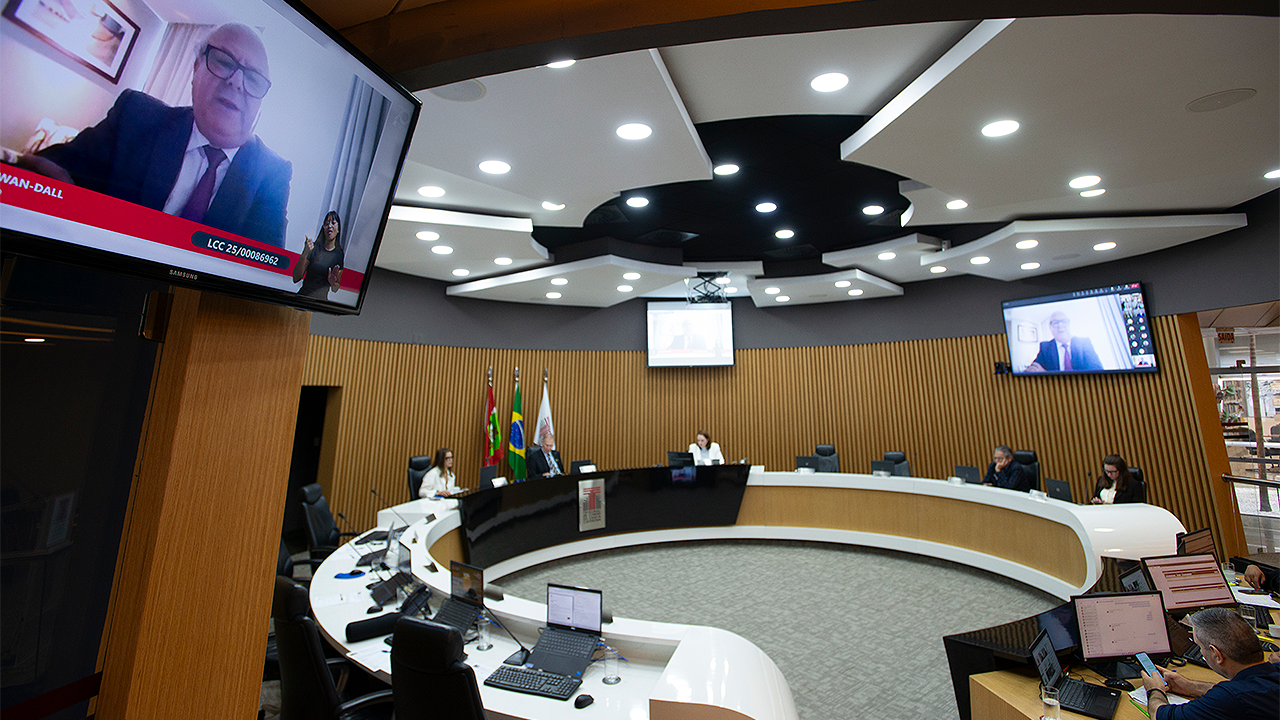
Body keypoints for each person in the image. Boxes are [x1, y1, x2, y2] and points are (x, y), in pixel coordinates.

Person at [17, 23, 291, 248]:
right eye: (222, 61)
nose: (236, 81)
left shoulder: (272, 173)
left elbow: (262, 266)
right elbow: (46, 174)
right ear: (196, 68)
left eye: (253, 78)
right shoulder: (136, 116)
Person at [1139, 607, 1280, 719]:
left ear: (1216, 654)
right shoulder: (1272, 673)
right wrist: (1192, 687)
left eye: (1200, 647)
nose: (1201, 652)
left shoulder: (1231, 698)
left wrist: (1155, 690)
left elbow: (1162, 716)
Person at [1024, 311, 1103, 372]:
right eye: (1055, 322)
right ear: (1050, 328)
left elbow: (1097, 371)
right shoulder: (1045, 347)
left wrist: (1045, 373)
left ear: (1069, 324)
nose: (1060, 325)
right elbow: (1034, 369)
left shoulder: (1084, 343)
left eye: (1064, 321)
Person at [293, 211, 344, 298]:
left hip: (320, 302)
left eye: (333, 223)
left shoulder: (339, 254)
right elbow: (296, 278)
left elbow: (335, 289)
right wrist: (305, 252)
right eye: (327, 223)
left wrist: (333, 282)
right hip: (303, 297)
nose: (330, 226)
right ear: (323, 228)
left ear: (338, 229)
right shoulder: (314, 248)